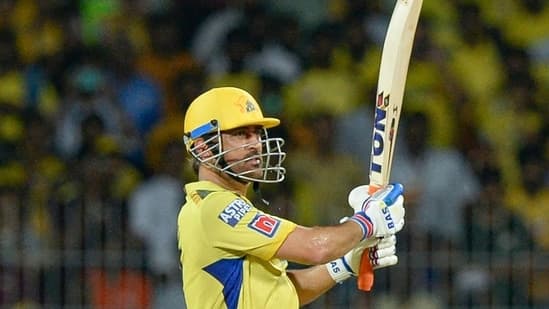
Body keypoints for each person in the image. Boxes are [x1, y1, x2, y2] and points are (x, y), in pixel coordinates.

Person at [177, 87, 406, 308]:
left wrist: (345, 264)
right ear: (204, 148)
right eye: (240, 134)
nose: (255, 144)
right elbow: (316, 248)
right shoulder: (214, 206)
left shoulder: (218, 206)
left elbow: (282, 293)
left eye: (257, 133)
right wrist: (368, 221)